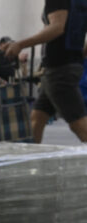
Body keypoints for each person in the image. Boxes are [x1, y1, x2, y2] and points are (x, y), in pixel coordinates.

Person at [5, 0, 87, 143]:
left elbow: (57, 28)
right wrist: (78, 55)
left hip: (59, 70)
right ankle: (31, 160)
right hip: (65, 67)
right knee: (37, 117)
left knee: (78, 123)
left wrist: (20, 44)